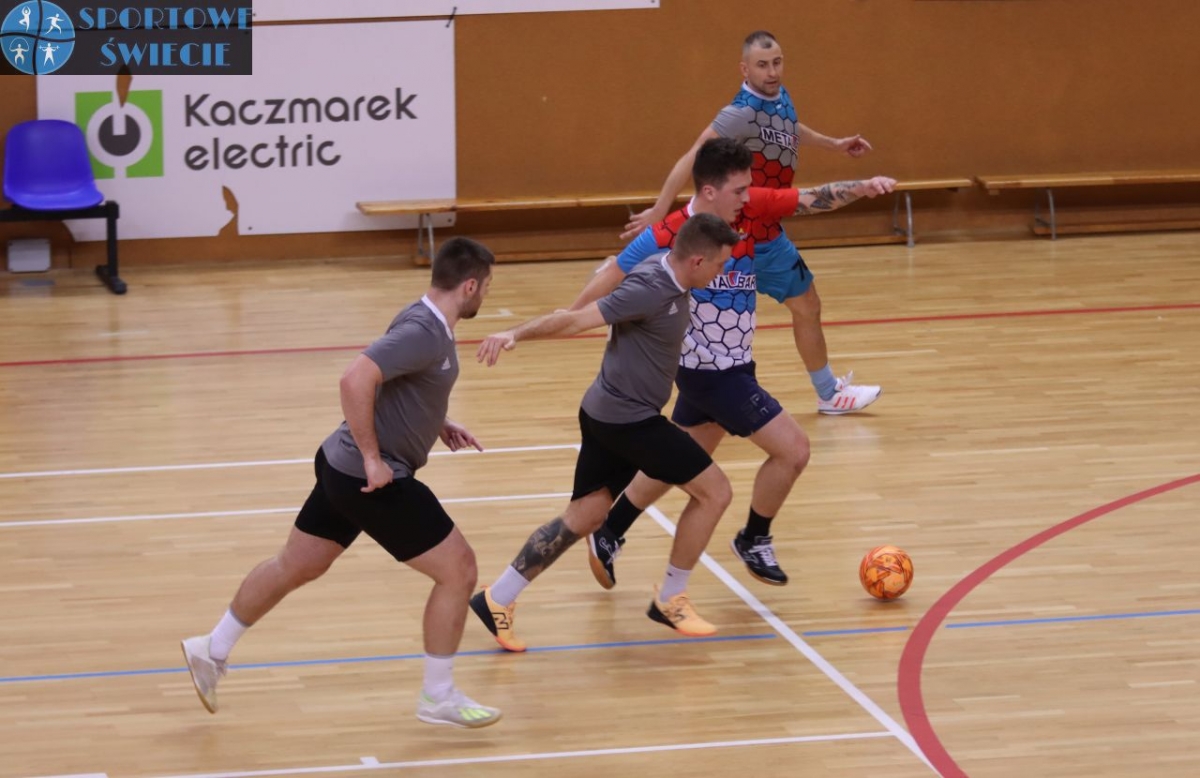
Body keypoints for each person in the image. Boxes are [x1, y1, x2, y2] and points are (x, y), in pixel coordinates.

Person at [181, 237, 502, 729]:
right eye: (487, 287)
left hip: (338, 465)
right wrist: (373, 459)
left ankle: (211, 648)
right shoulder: (424, 331)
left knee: (296, 564)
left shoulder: (422, 317)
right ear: (471, 285)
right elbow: (355, 379)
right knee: (459, 571)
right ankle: (438, 695)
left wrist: (435, 421)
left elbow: (396, 382)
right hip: (368, 477)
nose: (486, 295)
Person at [576, 138, 895, 588]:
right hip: (711, 373)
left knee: (683, 458)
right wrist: (567, 318)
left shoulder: (748, 208)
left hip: (735, 364)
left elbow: (809, 198)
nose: (748, 197)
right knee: (794, 451)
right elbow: (614, 273)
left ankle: (611, 529)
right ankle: (754, 537)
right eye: (739, 190)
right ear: (709, 191)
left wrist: (862, 187)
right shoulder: (669, 233)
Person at [470, 214, 740, 652]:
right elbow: (575, 321)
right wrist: (514, 334)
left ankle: (496, 597)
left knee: (586, 516)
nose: (722, 271)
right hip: (629, 421)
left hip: (604, 412)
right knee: (715, 492)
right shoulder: (649, 288)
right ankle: (671, 598)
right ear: (696, 260)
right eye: (719, 263)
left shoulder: (671, 277)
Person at [622, 30, 881, 416]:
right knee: (702, 322)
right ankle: (661, 398)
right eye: (762, 65)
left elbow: (790, 127)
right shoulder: (739, 112)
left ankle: (828, 393)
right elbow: (693, 155)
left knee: (807, 305)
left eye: (777, 62)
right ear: (744, 69)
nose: (772, 71)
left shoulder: (779, 95)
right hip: (736, 234)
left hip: (768, 231)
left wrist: (834, 144)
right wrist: (659, 210)